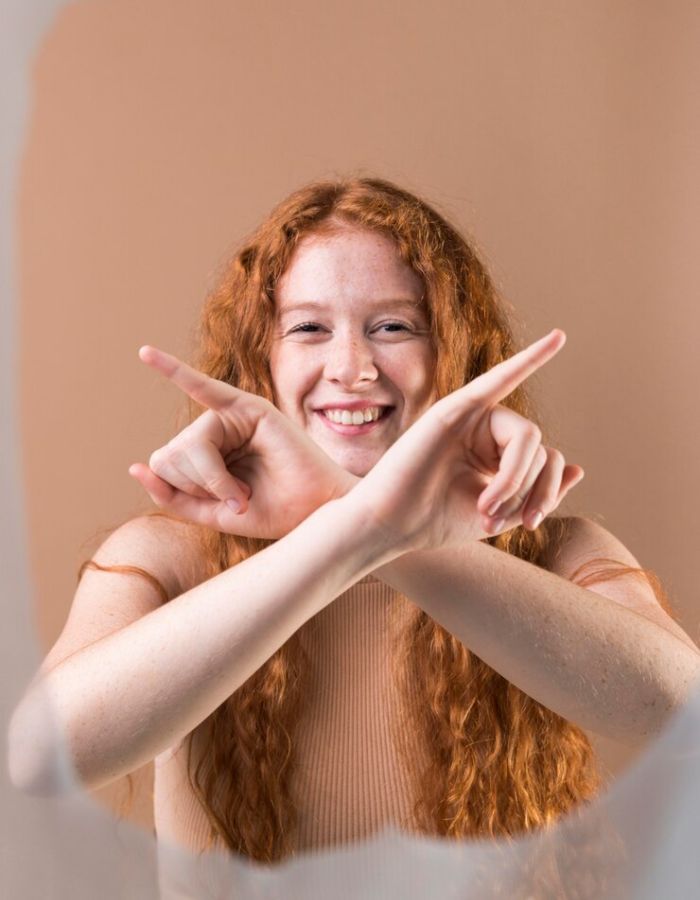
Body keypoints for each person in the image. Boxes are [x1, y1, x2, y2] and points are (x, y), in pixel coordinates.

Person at [9, 177, 700, 866]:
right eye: (309, 329)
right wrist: (352, 526)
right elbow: (41, 755)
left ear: (451, 356)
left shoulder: (554, 548)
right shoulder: (170, 556)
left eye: (393, 327)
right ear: (262, 362)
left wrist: (373, 528)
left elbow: (680, 709)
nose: (352, 368)